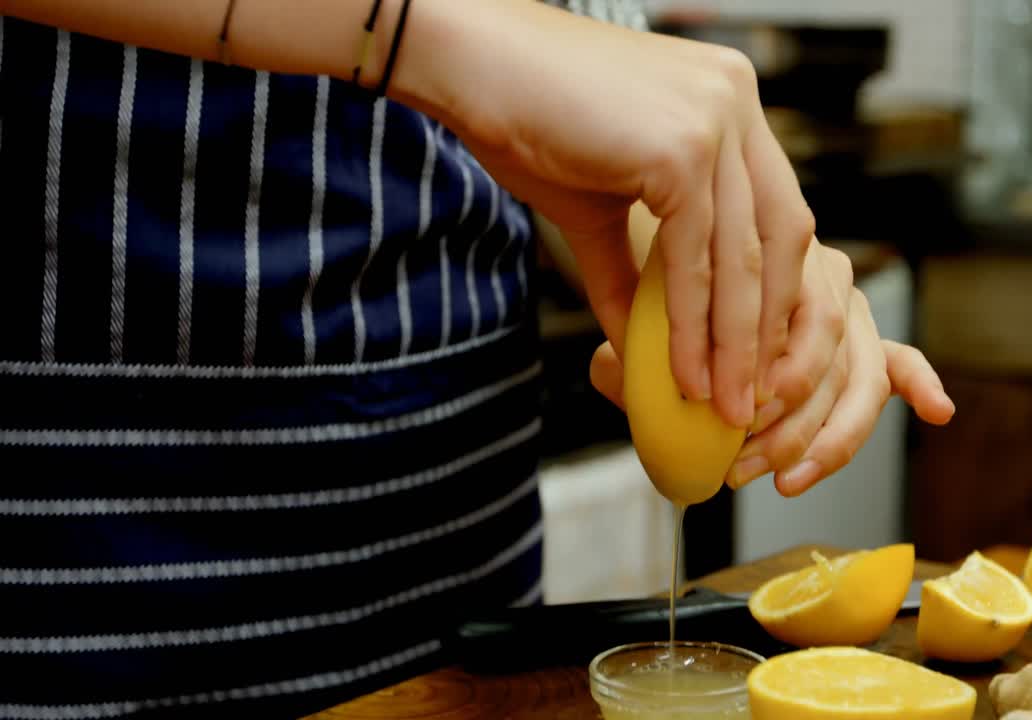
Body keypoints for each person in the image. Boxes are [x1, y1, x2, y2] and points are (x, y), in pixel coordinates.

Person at [0, 0, 955, 717]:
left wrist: (718, 260)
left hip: (465, 569)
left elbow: (577, 82)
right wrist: (427, 34)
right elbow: (494, 48)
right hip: (88, 552)